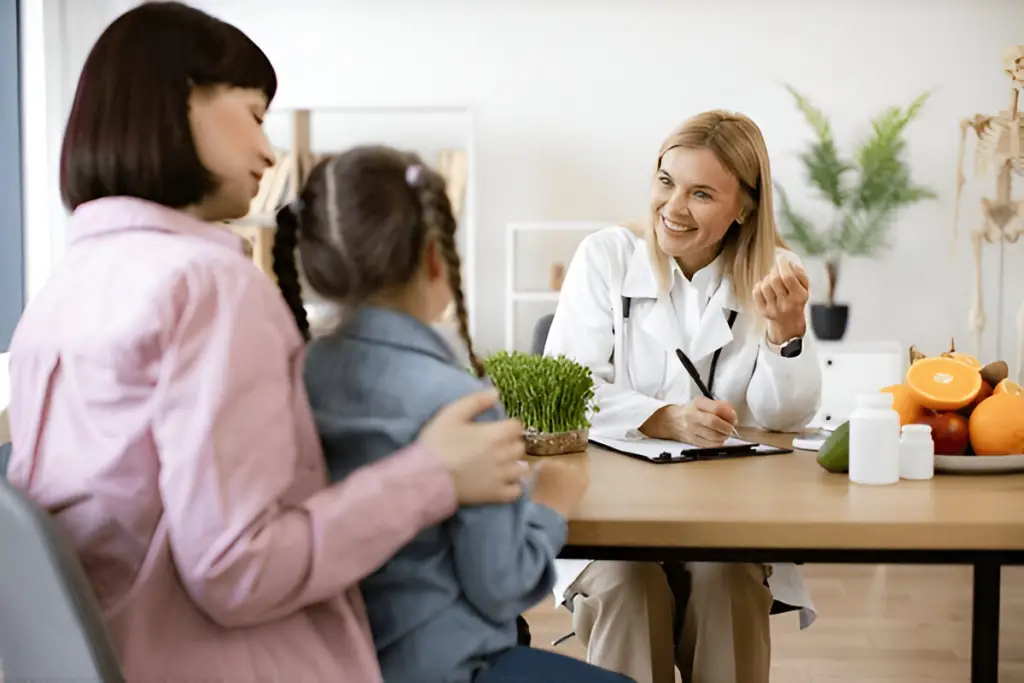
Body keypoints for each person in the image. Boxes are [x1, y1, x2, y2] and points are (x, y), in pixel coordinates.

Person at [3, 4, 531, 682]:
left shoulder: (63, 288)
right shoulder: (209, 286)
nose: (271, 152)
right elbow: (240, 568)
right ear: (180, 99)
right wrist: (433, 474)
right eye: (254, 115)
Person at [271, 145, 634, 683]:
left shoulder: (292, 379)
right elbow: (502, 586)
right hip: (446, 667)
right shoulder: (460, 404)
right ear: (437, 259)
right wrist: (550, 507)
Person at [543, 110, 824, 683]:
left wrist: (785, 333)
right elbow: (566, 392)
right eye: (666, 182)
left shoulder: (777, 272)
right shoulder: (606, 257)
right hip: (612, 513)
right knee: (628, 584)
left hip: (727, 516)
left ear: (744, 207)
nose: (672, 208)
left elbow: (784, 418)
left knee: (727, 581)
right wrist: (661, 417)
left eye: (700, 193)